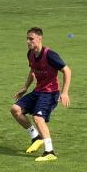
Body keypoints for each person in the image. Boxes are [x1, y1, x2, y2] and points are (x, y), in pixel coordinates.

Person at [10, 28, 71, 162]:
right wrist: (25, 87)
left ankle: (50, 151)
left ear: (40, 39)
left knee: (38, 118)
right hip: (38, 91)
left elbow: (67, 70)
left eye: (31, 39)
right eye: (27, 38)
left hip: (50, 93)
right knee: (15, 109)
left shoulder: (50, 55)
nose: (28, 41)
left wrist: (65, 92)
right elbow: (33, 70)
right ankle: (35, 137)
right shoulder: (30, 54)